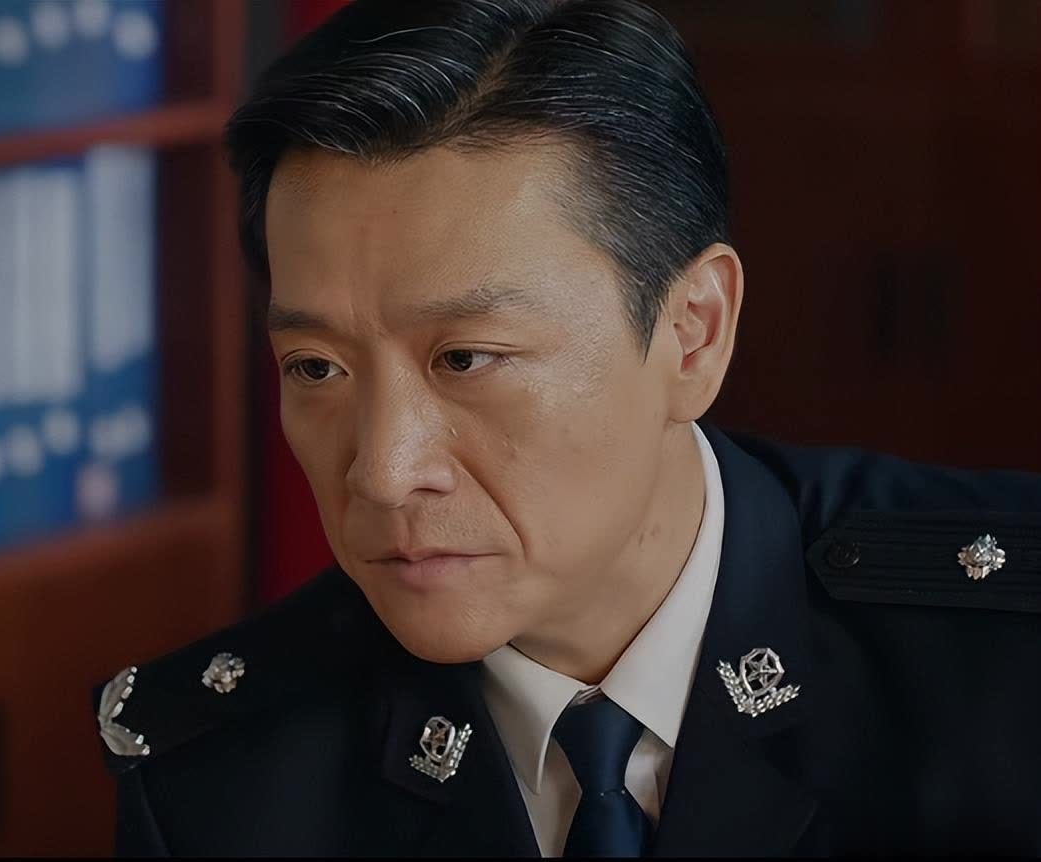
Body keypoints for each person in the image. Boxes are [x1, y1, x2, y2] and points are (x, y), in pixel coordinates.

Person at [91, 0, 1041, 855]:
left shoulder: (1003, 667)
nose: (382, 471)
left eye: (466, 358)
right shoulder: (221, 783)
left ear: (692, 333)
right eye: (316, 368)